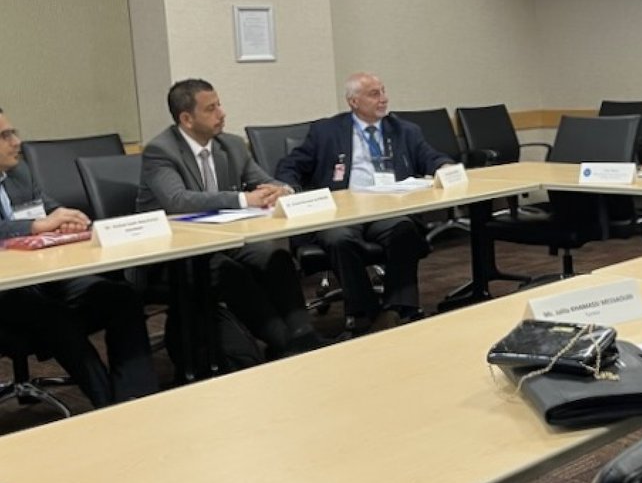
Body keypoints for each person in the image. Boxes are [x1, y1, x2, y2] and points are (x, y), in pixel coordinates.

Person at [136, 79, 322, 361]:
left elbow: (266, 182)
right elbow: (177, 201)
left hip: (222, 239)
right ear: (186, 119)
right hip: (171, 252)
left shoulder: (231, 145)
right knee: (229, 272)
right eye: (211, 109)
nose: (221, 113)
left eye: (219, 105)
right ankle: (284, 344)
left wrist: (282, 190)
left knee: (274, 257)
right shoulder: (160, 151)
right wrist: (243, 199)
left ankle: (304, 335)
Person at [0, 108, 158, 406]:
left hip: (44, 278)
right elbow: (30, 223)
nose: (17, 141)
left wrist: (66, 219)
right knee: (55, 317)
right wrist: (33, 226)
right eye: (5, 136)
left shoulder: (19, 173)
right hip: (6, 295)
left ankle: (137, 398)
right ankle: (107, 405)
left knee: (120, 297)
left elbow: (49, 209)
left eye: (14, 132)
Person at [275, 73, 452, 335]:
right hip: (343, 211)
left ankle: (398, 308)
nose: (383, 99)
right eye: (374, 94)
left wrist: (444, 167)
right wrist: (287, 188)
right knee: (338, 239)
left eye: (383, 91)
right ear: (353, 101)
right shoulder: (326, 131)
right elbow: (290, 166)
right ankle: (365, 313)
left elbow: (431, 157)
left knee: (405, 230)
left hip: (387, 207)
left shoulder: (405, 130)